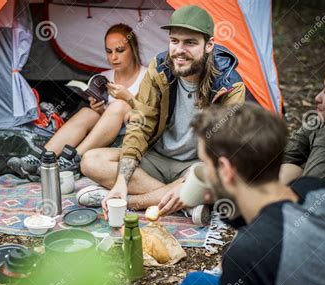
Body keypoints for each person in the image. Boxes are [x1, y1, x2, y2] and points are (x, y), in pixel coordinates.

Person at [77, 5, 246, 212]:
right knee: (91, 160)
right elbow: (141, 123)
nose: (179, 51)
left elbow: (224, 151)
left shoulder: (229, 85)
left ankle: (128, 201)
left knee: (223, 180)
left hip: (194, 165)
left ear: (209, 45)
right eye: (174, 41)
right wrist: (121, 181)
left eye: (190, 43)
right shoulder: (159, 69)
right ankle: (184, 204)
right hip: (156, 159)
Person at [173, 103, 325, 285]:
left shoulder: (248, 255)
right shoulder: (313, 188)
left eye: (204, 163)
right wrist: (220, 196)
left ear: (226, 170)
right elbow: (263, 219)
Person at [7, 23, 147, 181]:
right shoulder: (105, 76)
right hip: (107, 130)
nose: (113, 57)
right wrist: (99, 109)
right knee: (88, 112)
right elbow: (107, 118)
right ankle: (40, 157)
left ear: (133, 49)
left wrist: (127, 96)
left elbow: (153, 114)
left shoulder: (148, 75)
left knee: (120, 105)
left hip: (135, 130)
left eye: (120, 51)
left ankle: (73, 159)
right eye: (109, 52)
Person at [279, 72, 325, 183]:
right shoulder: (321, 120)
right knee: (289, 171)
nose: (317, 98)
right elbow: (284, 155)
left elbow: (314, 187)